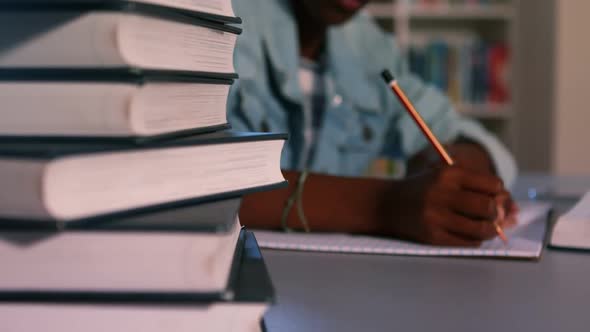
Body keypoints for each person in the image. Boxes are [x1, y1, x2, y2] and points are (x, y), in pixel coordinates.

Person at [227, 0, 519, 247]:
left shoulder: (369, 46)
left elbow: (454, 130)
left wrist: (459, 183)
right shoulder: (212, 19)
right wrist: (385, 205)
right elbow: (195, 180)